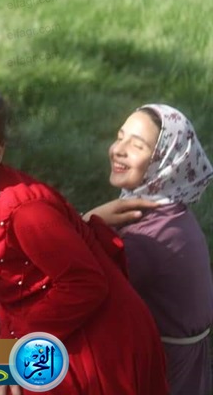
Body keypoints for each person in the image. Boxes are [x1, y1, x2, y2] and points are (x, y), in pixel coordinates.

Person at [0, 80, 168, 395]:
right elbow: (3, 293)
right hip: (39, 322)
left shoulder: (26, 213)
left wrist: (18, 350)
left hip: (91, 339)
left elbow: (86, 283)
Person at [84, 104, 213, 395]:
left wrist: (86, 221)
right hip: (177, 365)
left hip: (158, 376)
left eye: (137, 145)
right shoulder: (170, 213)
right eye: (120, 137)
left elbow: (70, 286)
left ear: (166, 160)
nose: (118, 149)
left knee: (2, 358)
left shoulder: (148, 238)